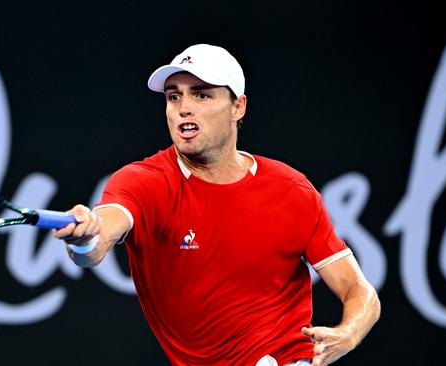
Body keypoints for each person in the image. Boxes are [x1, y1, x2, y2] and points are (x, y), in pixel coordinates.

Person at [53, 44, 380, 366]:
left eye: (201, 94)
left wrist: (349, 333)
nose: (183, 108)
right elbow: (103, 235)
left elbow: (357, 288)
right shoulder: (143, 182)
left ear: (238, 107)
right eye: (173, 96)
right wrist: (85, 239)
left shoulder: (292, 190)